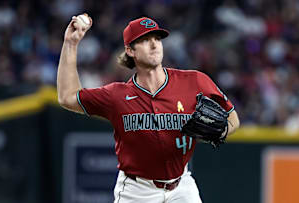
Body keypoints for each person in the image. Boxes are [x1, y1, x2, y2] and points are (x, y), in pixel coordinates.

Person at [57, 15, 240, 203]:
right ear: (130, 50)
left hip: (181, 186)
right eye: (145, 40)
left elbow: (232, 117)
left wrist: (221, 131)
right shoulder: (116, 96)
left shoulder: (194, 81)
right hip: (137, 191)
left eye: (157, 39)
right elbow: (67, 97)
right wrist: (71, 44)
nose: (154, 45)